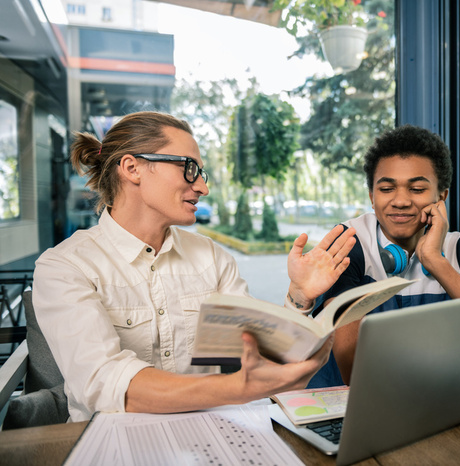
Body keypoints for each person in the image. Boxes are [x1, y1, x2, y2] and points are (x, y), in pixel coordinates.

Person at [32, 111, 357, 422]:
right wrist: (237, 389)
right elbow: (105, 384)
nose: (202, 187)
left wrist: (298, 297)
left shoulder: (211, 258)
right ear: (132, 168)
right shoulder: (65, 266)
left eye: (201, 172)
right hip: (111, 443)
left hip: (210, 436)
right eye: (189, 168)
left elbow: (258, 357)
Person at [307, 124, 460, 388]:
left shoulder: (457, 248)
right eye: (386, 189)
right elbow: (358, 371)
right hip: (341, 410)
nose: (401, 201)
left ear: (441, 196)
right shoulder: (348, 244)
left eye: (416, 189)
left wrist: (434, 260)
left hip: (432, 404)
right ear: (372, 196)